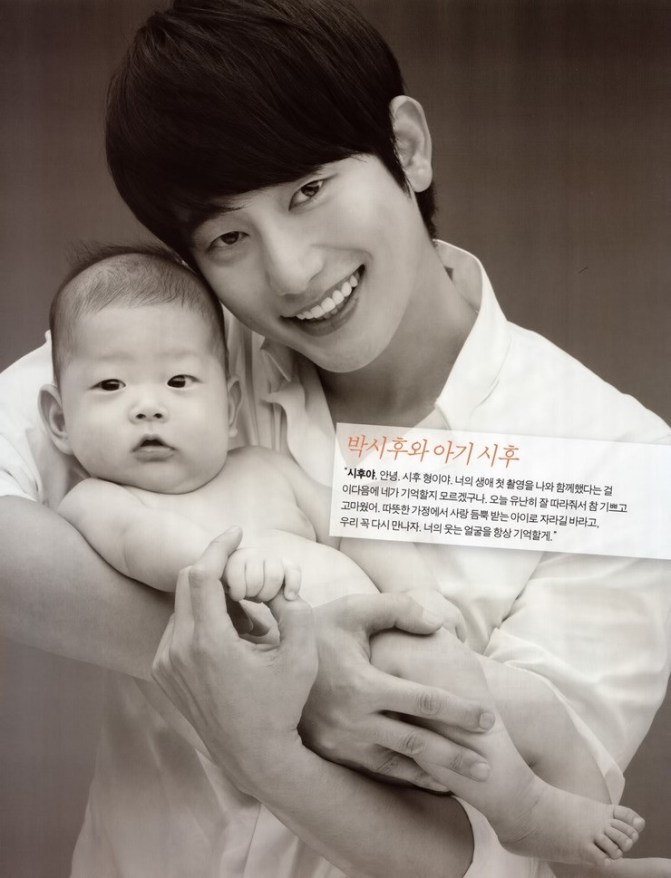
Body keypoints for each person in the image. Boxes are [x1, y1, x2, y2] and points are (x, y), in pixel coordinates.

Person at [0, 0, 670, 876]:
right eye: (227, 235)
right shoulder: (167, 358)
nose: (290, 271)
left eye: (308, 191)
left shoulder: (619, 461)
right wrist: (303, 678)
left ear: (408, 148)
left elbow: (492, 852)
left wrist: (263, 728)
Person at [41, 245, 652, 872]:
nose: (147, 405)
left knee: (542, 712)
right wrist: (223, 566)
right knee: (443, 689)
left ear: (228, 408)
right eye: (111, 386)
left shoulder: (264, 469)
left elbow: (356, 530)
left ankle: (597, 867)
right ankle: (521, 808)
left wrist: (414, 594)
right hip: (318, 681)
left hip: (383, 649)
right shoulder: (99, 500)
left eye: (178, 383)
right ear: (59, 419)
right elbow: (146, 548)